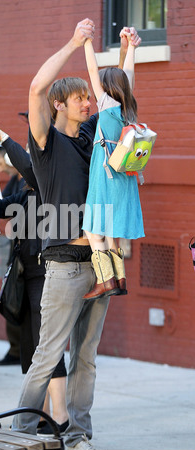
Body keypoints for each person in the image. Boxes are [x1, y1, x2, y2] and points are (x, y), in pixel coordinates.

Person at [10, 18, 130, 450]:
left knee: (86, 359)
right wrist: (75, 42)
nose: (86, 103)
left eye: (86, 97)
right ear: (60, 105)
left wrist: (124, 50)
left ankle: (79, 435)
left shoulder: (90, 138)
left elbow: (115, 100)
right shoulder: (45, 143)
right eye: (79, 98)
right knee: (47, 355)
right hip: (63, 266)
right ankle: (20, 436)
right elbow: (36, 87)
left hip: (100, 263)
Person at [0, 114, 69, 434]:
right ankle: (40, 413)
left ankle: (60, 417)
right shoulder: (28, 194)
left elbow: (29, 164)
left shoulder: (48, 191)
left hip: (46, 274)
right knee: (31, 346)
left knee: (48, 344)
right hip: (27, 275)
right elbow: (1, 207)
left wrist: (5, 140)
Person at [82, 28, 144, 300]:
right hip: (125, 176)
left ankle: (105, 280)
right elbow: (128, 72)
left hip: (104, 174)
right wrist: (131, 47)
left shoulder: (105, 104)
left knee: (93, 228)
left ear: (106, 88)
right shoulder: (128, 106)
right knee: (111, 231)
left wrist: (85, 42)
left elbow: (92, 69)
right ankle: (119, 278)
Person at [0, 142, 24, 366]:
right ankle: (15, 350)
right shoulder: (14, 181)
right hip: (16, 247)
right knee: (11, 296)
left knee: (20, 297)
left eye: (1, 162)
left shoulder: (27, 181)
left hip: (28, 250)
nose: (0, 167)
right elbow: (1, 206)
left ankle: (20, 349)